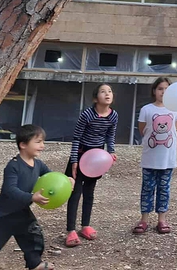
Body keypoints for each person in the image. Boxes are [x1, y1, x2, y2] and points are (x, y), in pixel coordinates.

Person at [0, 124, 73, 270]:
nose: (42, 145)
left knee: (34, 238)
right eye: (38, 142)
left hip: (21, 212)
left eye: (43, 142)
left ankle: (35, 264)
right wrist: (32, 197)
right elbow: (10, 190)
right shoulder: (13, 166)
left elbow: (53, 178)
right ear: (23, 144)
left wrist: (67, 180)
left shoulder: (38, 164)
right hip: (2, 216)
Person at [65, 82, 118, 247]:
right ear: (96, 98)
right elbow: (76, 137)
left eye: (109, 91)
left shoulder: (113, 115)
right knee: (75, 192)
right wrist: (74, 160)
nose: (107, 94)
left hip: (97, 157)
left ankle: (85, 226)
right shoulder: (87, 114)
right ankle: (70, 230)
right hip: (81, 154)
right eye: (103, 91)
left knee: (89, 192)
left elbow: (110, 135)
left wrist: (111, 151)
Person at [133, 76, 177, 235]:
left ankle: (162, 219)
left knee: (164, 188)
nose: (163, 92)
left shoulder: (175, 110)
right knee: (147, 188)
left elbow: (176, 131)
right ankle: (144, 219)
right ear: (154, 91)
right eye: (160, 88)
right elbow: (143, 130)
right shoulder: (146, 109)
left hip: (167, 159)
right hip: (150, 158)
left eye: (167, 89)